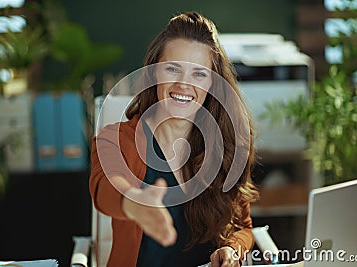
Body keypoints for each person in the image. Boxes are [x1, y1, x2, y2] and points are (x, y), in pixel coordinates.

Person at [89, 11, 259, 267]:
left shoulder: (226, 145)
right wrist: (133, 203)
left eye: (199, 74)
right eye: (173, 69)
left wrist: (231, 249)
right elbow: (104, 190)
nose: (183, 84)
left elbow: (243, 227)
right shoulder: (116, 139)